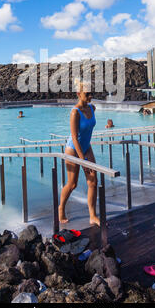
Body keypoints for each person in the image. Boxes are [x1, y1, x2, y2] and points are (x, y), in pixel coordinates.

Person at [59, 80, 99, 226]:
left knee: (93, 182)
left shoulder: (92, 108)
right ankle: (61, 208)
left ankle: (93, 215)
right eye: (87, 94)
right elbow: (75, 138)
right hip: (73, 150)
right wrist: (83, 160)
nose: (90, 96)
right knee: (72, 184)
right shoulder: (75, 112)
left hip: (86, 147)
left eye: (91, 93)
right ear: (78, 94)